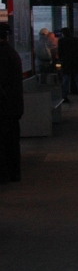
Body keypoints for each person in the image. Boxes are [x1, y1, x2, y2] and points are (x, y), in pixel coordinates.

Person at [0, 23, 24, 184]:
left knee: (4, 143)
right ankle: (13, 173)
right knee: (11, 142)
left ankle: (5, 175)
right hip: (12, 106)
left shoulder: (2, 54)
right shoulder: (10, 52)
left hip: (4, 106)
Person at [57, 27, 78, 102]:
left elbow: (60, 52)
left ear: (63, 33)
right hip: (76, 62)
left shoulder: (61, 41)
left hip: (66, 62)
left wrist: (60, 59)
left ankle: (64, 96)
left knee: (65, 80)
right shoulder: (76, 40)